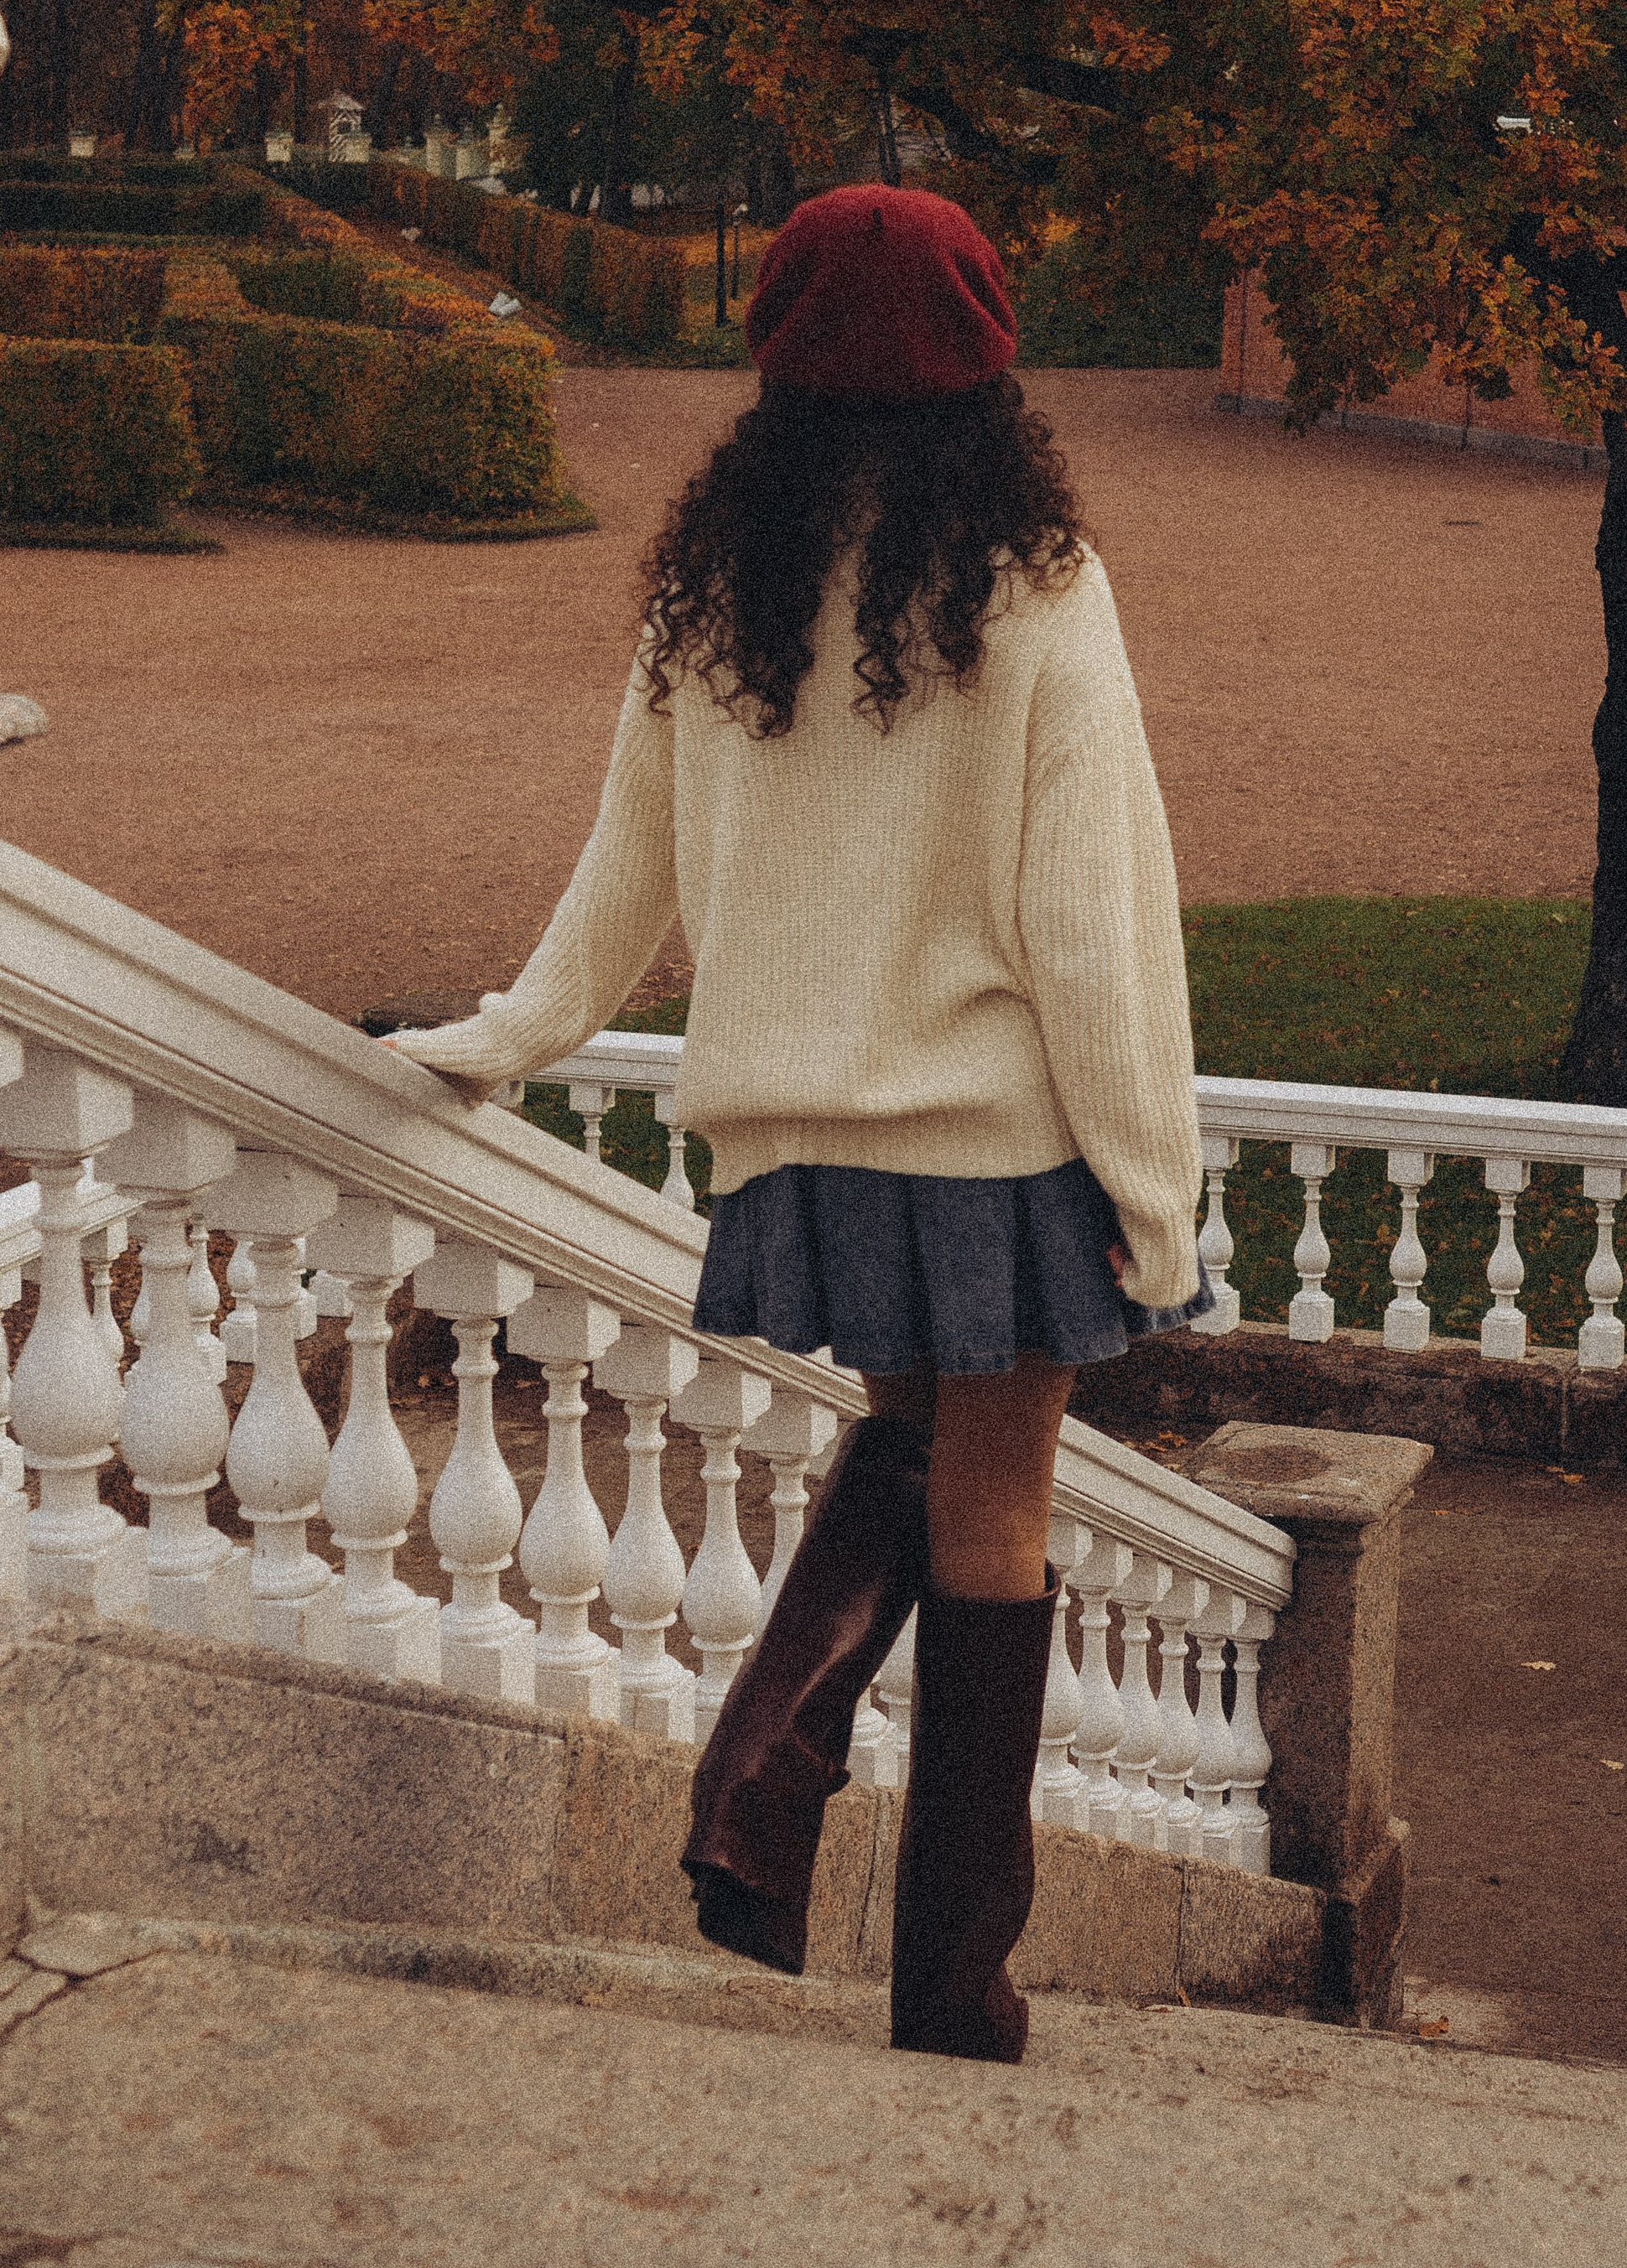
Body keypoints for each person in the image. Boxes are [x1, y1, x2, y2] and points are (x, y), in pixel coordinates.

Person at [392, 181, 1207, 2063]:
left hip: (804, 1144)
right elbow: (1095, 929)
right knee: (995, 1518)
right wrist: (1151, 1194)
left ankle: (760, 1794)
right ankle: (950, 1991)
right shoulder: (1036, 591)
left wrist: (509, 1034)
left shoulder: (716, 591)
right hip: (995, 1143)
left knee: (914, 1451)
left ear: (772, 360)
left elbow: (628, 872)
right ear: (989, 364)